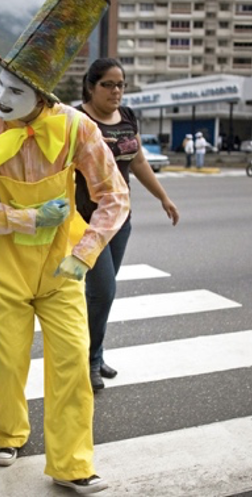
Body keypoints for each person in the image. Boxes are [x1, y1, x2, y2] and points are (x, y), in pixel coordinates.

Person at [0, 0, 127, 492]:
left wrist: (85, 253)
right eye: (0, 85)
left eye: (17, 91)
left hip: (60, 267)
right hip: (1, 266)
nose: (2, 98)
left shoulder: (75, 128)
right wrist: (25, 218)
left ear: (44, 97)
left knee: (72, 361)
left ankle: (72, 463)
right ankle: (6, 430)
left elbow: (114, 195)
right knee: (6, 362)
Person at [77, 58, 180, 391]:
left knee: (101, 296)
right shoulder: (76, 119)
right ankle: (89, 360)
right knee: (103, 291)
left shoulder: (128, 117)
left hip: (121, 219)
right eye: (108, 84)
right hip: (86, 222)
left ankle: (95, 353)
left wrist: (163, 197)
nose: (116, 91)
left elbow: (137, 161)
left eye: (121, 84)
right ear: (91, 86)